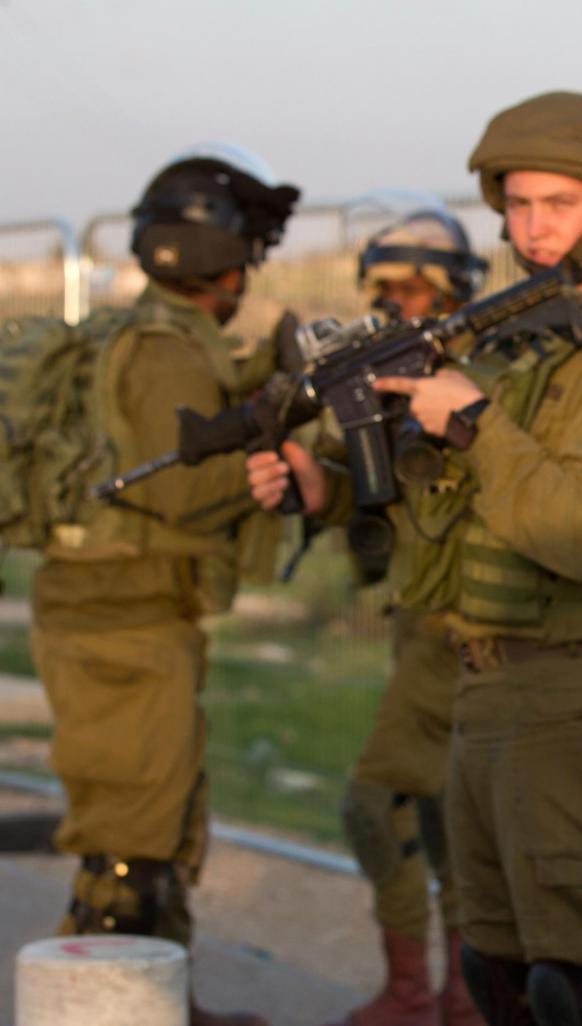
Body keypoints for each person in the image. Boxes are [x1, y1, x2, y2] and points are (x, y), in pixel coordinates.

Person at [249, 92, 582, 1026]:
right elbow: (449, 512)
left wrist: (476, 422)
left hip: (579, 697)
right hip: (481, 686)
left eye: (559, 204)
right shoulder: (520, 339)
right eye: (519, 205)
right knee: (497, 975)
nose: (534, 228)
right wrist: (325, 486)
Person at [30, 143, 298, 1026]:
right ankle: (101, 1009)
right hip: (125, 619)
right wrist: (272, 459)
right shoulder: (165, 349)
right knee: (129, 848)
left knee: (158, 822)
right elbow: (179, 487)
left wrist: (268, 383)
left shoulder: (146, 334)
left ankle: (164, 1004)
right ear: (222, 257)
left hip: (119, 611)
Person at [316, 205, 489, 1026]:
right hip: (418, 629)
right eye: (387, 291)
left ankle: (433, 994)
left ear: (453, 295)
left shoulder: (475, 381)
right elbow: (365, 510)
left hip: (464, 630)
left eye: (418, 291)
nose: (400, 307)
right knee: (434, 816)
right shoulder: (382, 384)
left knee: (382, 805)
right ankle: (440, 995)